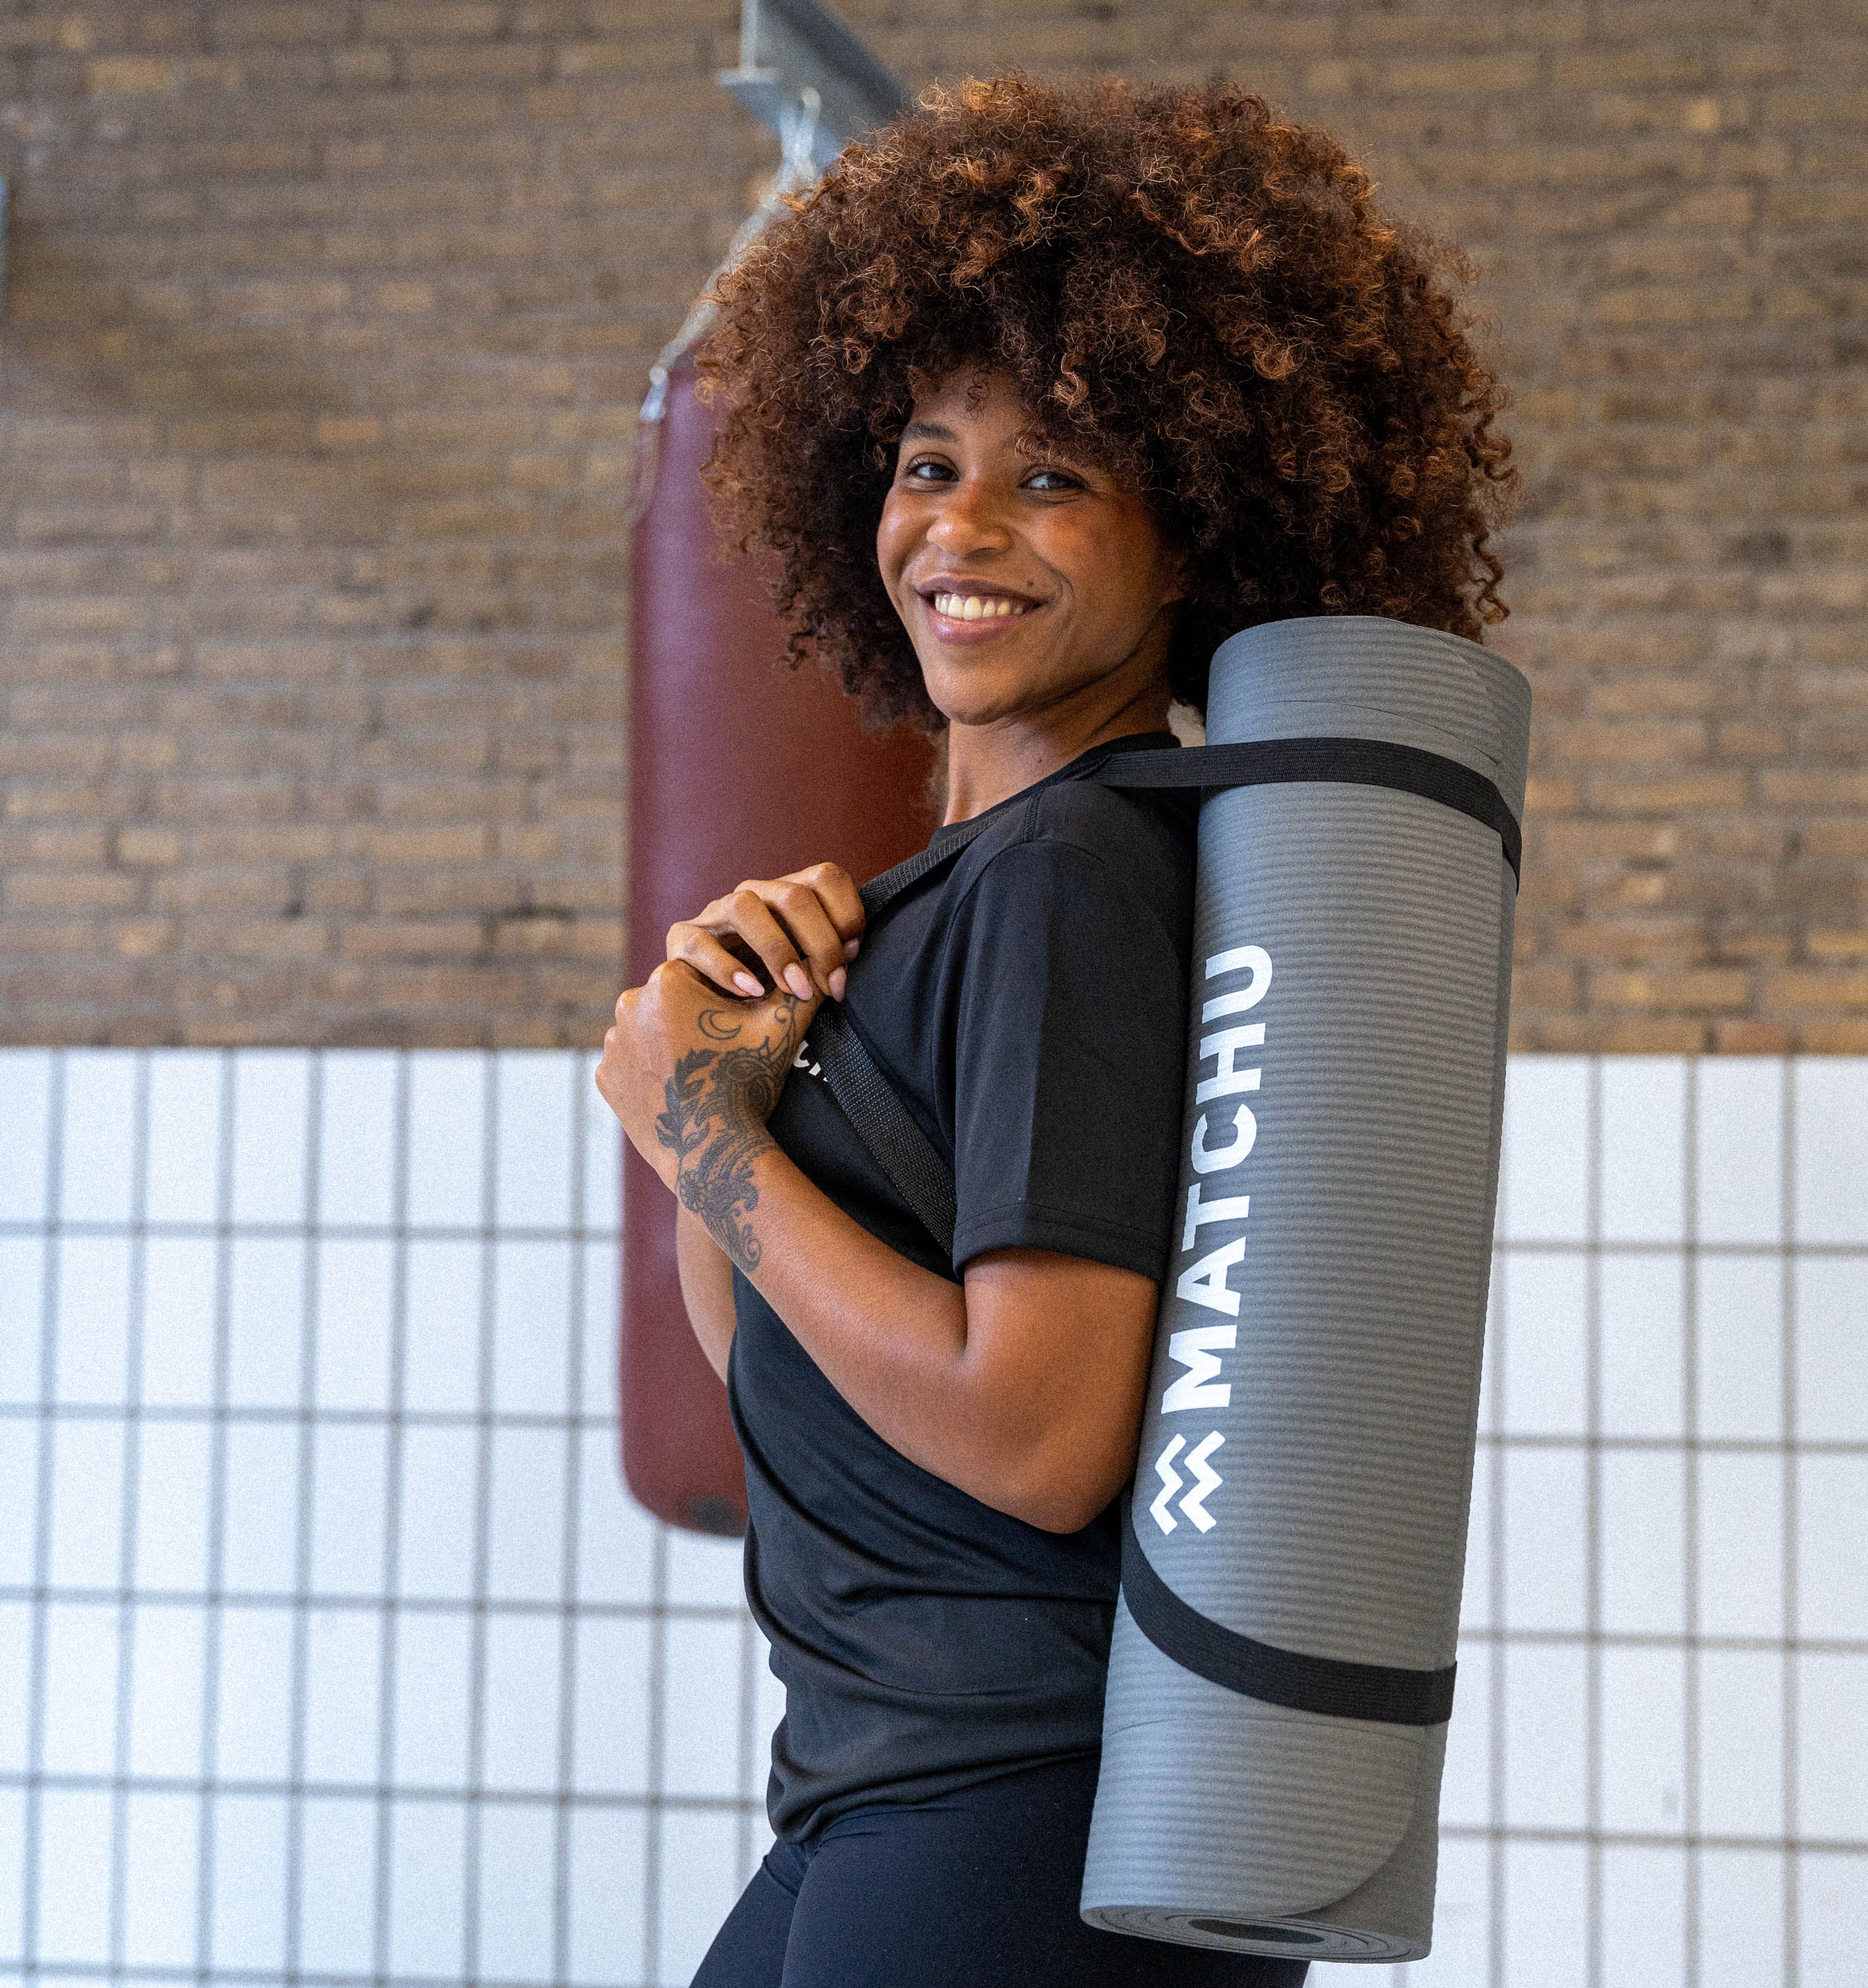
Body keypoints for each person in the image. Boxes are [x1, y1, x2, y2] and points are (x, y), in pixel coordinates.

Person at [592, 72, 1511, 1987]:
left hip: (1007, 1822)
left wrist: (704, 1140)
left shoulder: (1074, 870)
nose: (961, 526)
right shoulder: (972, 883)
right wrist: (733, 1081)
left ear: (1193, 541)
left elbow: (1035, 1431)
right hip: (887, 1793)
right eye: (926, 463)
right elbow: (774, 1357)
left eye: (1052, 477)